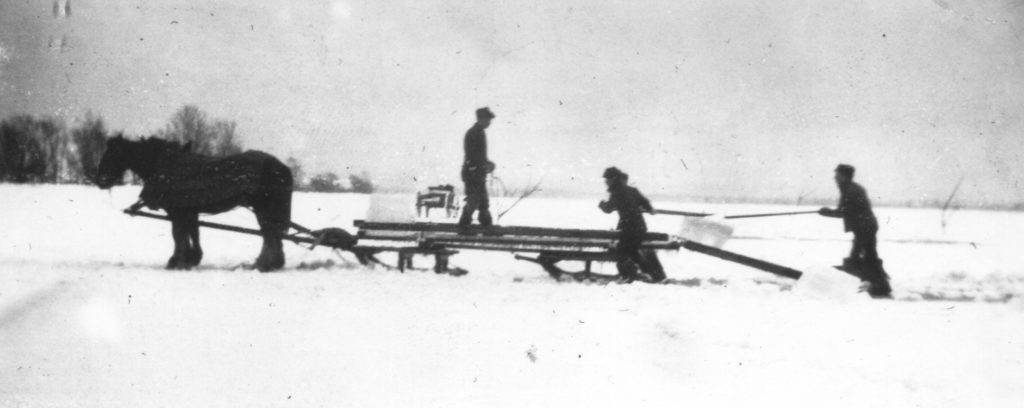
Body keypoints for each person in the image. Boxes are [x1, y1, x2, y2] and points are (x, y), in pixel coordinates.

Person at [818, 164, 892, 298]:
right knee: (868, 256)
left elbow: (843, 212)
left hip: (865, 228)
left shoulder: (850, 191)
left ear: (844, 176)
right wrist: (827, 212)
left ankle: (873, 286)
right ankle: (879, 285)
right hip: (865, 227)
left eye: (837, 175)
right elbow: (846, 212)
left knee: (859, 257)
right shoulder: (850, 189)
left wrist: (826, 212)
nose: (835, 178)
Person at [598, 167, 666, 283]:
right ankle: (652, 275)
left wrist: (601, 204)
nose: (605, 181)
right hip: (639, 226)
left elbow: (608, 209)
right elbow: (644, 202)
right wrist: (650, 209)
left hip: (629, 228)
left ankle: (632, 276)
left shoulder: (616, 192)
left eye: (607, 179)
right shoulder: (631, 190)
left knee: (623, 252)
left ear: (613, 179)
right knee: (631, 252)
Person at [459, 107, 496, 228]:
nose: (489, 122)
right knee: (474, 200)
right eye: (488, 119)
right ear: (481, 119)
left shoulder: (478, 132)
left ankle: (487, 227)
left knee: (482, 202)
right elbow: (472, 155)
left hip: (476, 173)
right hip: (473, 173)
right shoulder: (474, 133)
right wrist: (485, 164)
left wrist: (488, 164)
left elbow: (478, 155)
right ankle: (464, 227)